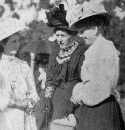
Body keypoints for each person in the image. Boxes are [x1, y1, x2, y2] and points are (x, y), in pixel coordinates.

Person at [66, 1, 125, 130]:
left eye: (83, 30)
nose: (80, 35)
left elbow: (100, 88)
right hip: (93, 108)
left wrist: (78, 90)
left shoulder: (104, 49)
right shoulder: (95, 49)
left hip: (100, 109)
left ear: (96, 28)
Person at [0, 18, 39, 130]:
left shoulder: (23, 65)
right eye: (13, 41)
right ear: (3, 43)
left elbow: (33, 92)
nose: (18, 44)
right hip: (2, 118)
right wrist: (16, 103)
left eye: (18, 40)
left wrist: (29, 101)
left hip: (23, 118)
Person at [44, 4, 87, 129]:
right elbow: (50, 79)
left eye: (62, 36)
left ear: (73, 36)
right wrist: (47, 98)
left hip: (71, 94)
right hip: (53, 92)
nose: (59, 40)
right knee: (42, 111)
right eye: (57, 35)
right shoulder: (55, 53)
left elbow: (84, 78)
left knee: (59, 117)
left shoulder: (81, 52)